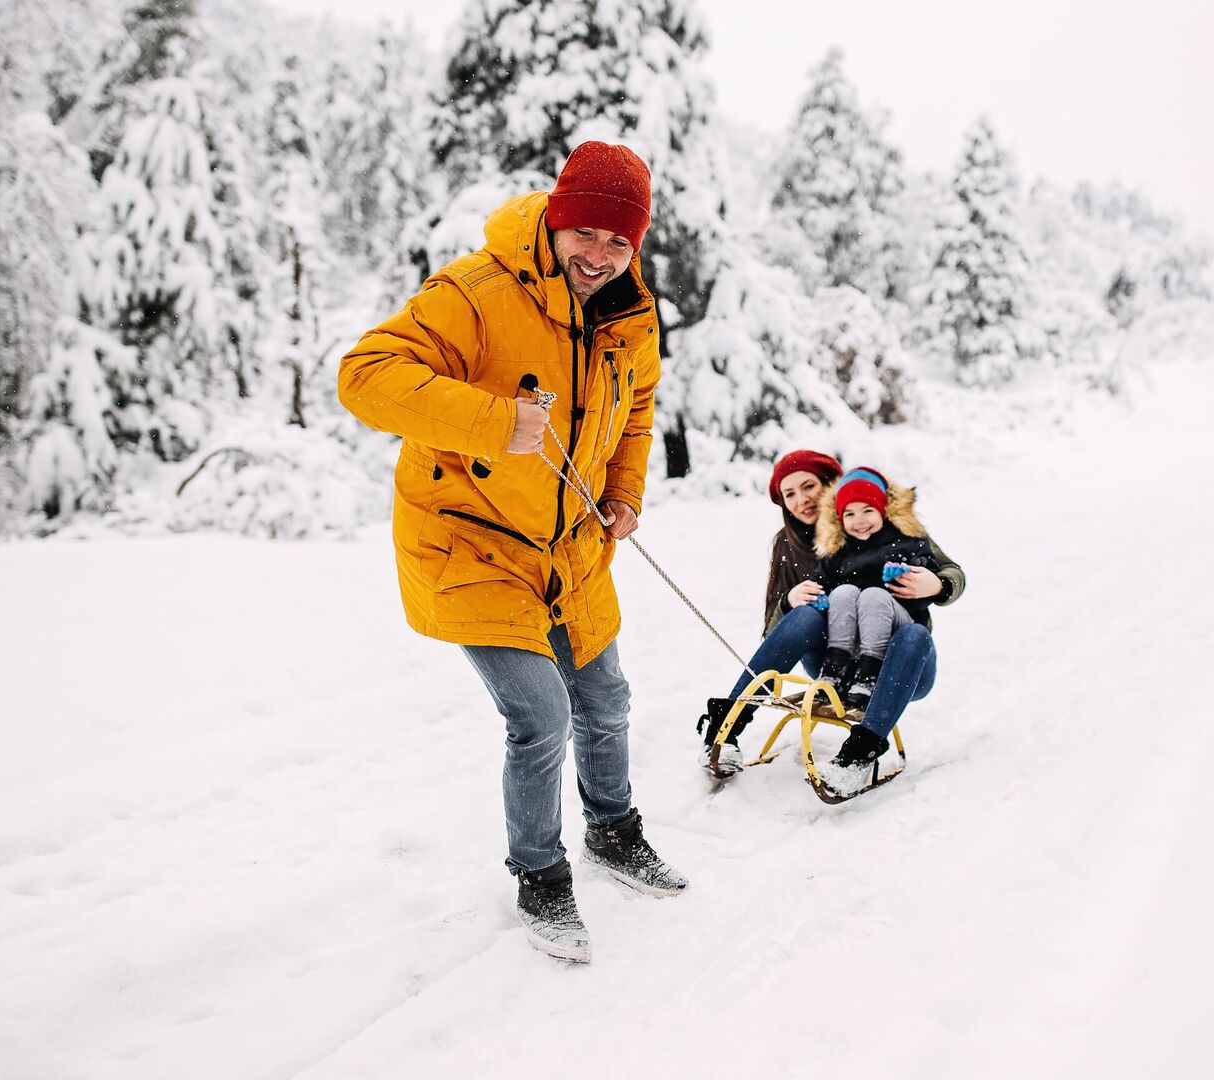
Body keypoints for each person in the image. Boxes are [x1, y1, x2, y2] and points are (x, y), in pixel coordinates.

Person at [339, 141, 684, 965]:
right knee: (540, 715)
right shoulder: (477, 292)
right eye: (585, 233)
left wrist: (623, 493)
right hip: (470, 541)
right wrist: (495, 421)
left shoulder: (630, 313)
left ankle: (614, 831)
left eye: (620, 241)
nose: (599, 256)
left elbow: (637, 410)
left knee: (606, 698)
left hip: (570, 547)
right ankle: (540, 876)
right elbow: (364, 376)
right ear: (556, 219)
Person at [697, 451, 966, 777]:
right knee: (806, 616)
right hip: (833, 663)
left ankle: (861, 753)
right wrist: (788, 602)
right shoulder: (789, 546)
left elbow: (950, 571)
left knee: (914, 634)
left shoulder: (891, 524)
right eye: (789, 494)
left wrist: (938, 584)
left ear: (831, 487)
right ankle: (724, 728)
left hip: (901, 661)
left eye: (808, 486)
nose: (801, 500)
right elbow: (775, 634)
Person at [802, 467, 940, 716]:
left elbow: (926, 586)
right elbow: (820, 581)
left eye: (868, 510)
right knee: (843, 592)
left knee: (873, 595)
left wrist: (908, 574)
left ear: (882, 511)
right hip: (850, 639)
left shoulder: (906, 542)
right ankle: (835, 668)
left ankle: (869, 673)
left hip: (896, 635)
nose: (860, 521)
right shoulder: (839, 550)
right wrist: (818, 597)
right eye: (850, 514)